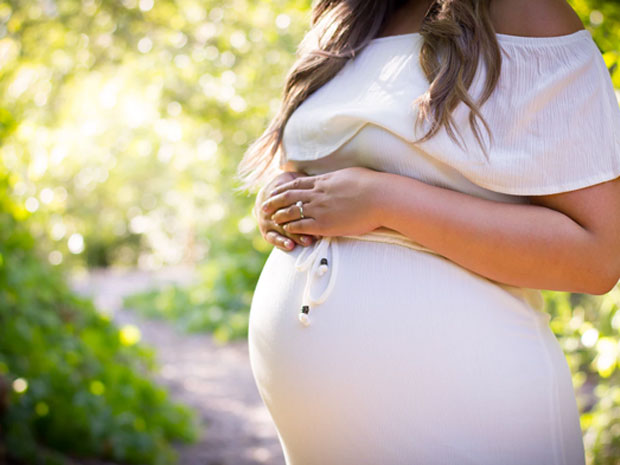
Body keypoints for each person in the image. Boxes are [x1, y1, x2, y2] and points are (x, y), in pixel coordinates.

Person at [235, 0, 620, 463]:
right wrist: (283, 198)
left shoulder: (524, 12)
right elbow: (322, 166)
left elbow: (598, 257)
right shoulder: (346, 18)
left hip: (473, 409)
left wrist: (387, 202)